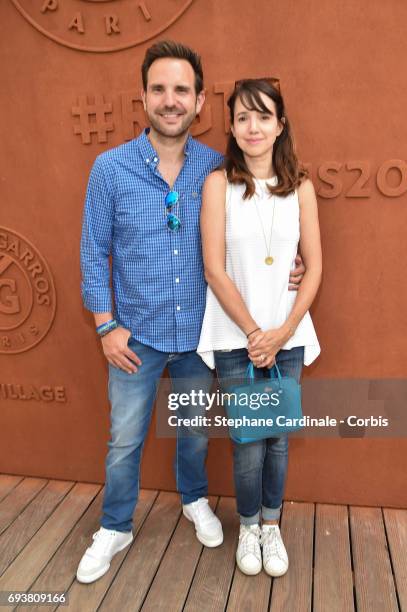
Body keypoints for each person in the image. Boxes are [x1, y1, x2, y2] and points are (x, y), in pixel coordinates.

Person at [77, 41, 305, 584]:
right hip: (135, 337)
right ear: (144, 97)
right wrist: (105, 325)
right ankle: (115, 526)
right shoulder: (110, 169)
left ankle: (193, 499)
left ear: (201, 101)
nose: (170, 100)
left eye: (182, 90)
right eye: (160, 89)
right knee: (125, 437)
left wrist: (289, 261)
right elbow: (92, 249)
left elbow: (262, 226)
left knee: (193, 432)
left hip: (199, 336)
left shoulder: (218, 171)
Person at [197, 78, 322, 577]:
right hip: (235, 339)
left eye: (263, 116)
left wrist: (284, 330)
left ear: (279, 126)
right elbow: (214, 268)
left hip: (288, 338)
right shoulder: (217, 185)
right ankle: (247, 525)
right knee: (248, 441)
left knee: (278, 439)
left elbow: (313, 267)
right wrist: (255, 333)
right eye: (243, 117)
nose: (253, 126)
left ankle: (272, 526)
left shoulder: (302, 187)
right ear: (231, 126)